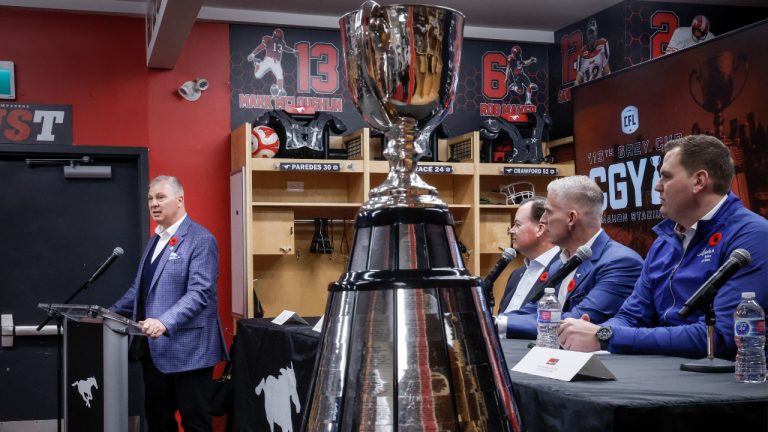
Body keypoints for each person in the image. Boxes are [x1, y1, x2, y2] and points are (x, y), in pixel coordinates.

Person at [559, 135, 768, 358]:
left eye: (666, 177)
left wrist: (606, 336)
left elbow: (718, 336)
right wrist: (593, 334)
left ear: (699, 181)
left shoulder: (753, 236)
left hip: (721, 380)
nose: (657, 186)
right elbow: (631, 316)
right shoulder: (664, 242)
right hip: (663, 369)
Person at [111, 175, 229, 432]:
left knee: (195, 422)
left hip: (190, 350)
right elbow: (139, 291)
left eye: (160, 197)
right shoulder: (157, 239)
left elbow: (200, 293)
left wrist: (165, 321)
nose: (154, 203)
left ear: (180, 199)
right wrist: (107, 315)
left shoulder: (200, 239)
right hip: (153, 350)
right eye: (150, 198)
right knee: (158, 420)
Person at [504, 176, 643, 339]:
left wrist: (500, 324)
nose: (542, 220)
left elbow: (577, 321)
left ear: (571, 218)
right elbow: (534, 310)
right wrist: (493, 321)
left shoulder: (621, 263)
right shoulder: (559, 263)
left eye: (548, 212)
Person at [496, 197, 560, 335]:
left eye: (517, 225)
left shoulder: (563, 270)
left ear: (540, 229)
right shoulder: (515, 275)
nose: (511, 230)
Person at [247, 28, 296, 96]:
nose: (276, 39)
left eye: (278, 37)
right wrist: (253, 54)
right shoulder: (268, 39)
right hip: (268, 60)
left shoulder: (282, 43)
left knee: (280, 75)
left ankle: (280, 90)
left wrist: (293, 51)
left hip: (277, 62)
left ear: (281, 37)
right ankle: (258, 63)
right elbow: (261, 46)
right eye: (275, 37)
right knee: (257, 75)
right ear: (273, 35)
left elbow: (286, 48)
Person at [575, 18, 610, 84]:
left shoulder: (603, 44)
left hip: (600, 86)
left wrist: (610, 85)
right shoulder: (582, 52)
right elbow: (579, 76)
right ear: (587, 35)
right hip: (587, 88)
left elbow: (606, 69)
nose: (591, 36)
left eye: (592, 32)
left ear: (596, 31)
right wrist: (575, 85)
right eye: (589, 33)